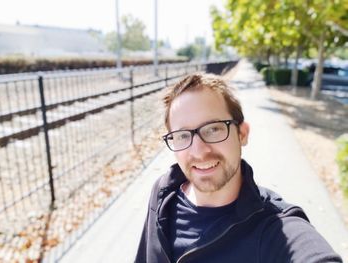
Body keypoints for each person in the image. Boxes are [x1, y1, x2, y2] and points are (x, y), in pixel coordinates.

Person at [135, 73, 342, 263]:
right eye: (182, 135)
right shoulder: (163, 192)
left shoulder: (275, 229)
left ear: (242, 134)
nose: (198, 151)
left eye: (214, 129)